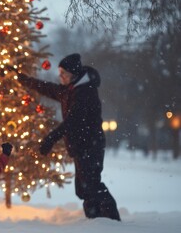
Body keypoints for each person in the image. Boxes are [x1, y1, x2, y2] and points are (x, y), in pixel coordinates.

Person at [15, 53, 121, 221]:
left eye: (63, 73)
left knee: (91, 186)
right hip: (80, 146)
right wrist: (23, 79)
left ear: (74, 74)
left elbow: (73, 121)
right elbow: (47, 88)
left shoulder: (85, 92)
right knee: (84, 189)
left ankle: (111, 221)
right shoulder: (69, 89)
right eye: (60, 73)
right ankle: (96, 222)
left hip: (90, 145)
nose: (60, 76)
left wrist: (50, 139)